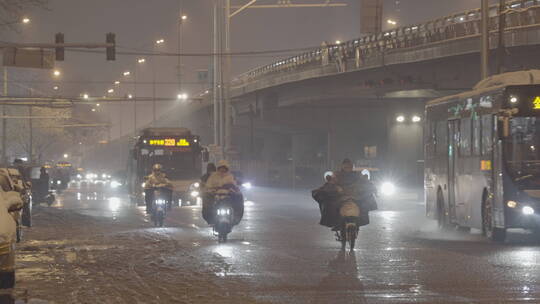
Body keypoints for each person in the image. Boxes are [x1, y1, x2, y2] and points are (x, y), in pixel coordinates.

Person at [333, 158, 377, 227]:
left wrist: (373, 189)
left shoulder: (358, 175)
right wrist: (336, 188)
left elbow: (366, 182)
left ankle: (360, 221)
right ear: (342, 166)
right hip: (342, 198)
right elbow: (331, 184)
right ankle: (337, 224)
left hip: (356, 198)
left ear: (352, 167)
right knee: (332, 207)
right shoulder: (337, 175)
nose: (348, 168)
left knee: (364, 206)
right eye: (346, 167)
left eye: (349, 167)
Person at [203, 160, 244, 225]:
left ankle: (235, 219)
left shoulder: (230, 176)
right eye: (221, 168)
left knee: (239, 199)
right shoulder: (213, 176)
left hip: (228, 197)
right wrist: (211, 191)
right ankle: (210, 219)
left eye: (224, 168)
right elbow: (208, 186)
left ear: (226, 169)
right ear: (218, 168)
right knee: (207, 203)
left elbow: (234, 186)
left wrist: (233, 191)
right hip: (215, 197)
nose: (222, 170)